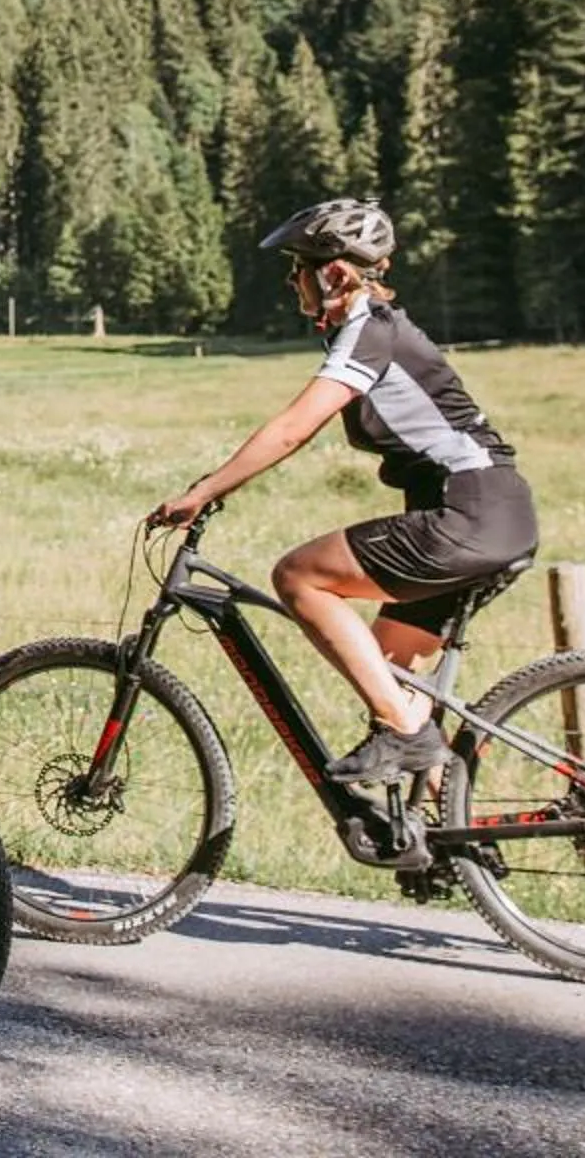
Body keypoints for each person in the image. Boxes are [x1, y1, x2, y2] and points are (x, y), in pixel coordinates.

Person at [144, 197, 537, 787]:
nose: (292, 281)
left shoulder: (371, 333)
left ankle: (406, 736)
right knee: (392, 675)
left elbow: (292, 428)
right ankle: (447, 841)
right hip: (493, 515)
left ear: (335, 272)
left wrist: (203, 490)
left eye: (297, 267)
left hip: (469, 514)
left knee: (299, 577)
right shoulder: (381, 331)